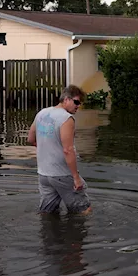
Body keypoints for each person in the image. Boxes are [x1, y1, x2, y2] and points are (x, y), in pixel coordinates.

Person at [28, 85, 91, 215]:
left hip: (44, 174)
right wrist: (76, 177)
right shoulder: (66, 119)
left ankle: (47, 234)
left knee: (47, 213)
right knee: (84, 211)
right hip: (62, 174)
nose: (78, 106)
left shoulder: (42, 113)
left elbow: (30, 139)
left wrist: (47, 148)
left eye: (80, 103)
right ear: (66, 99)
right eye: (76, 102)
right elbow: (68, 150)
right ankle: (78, 234)